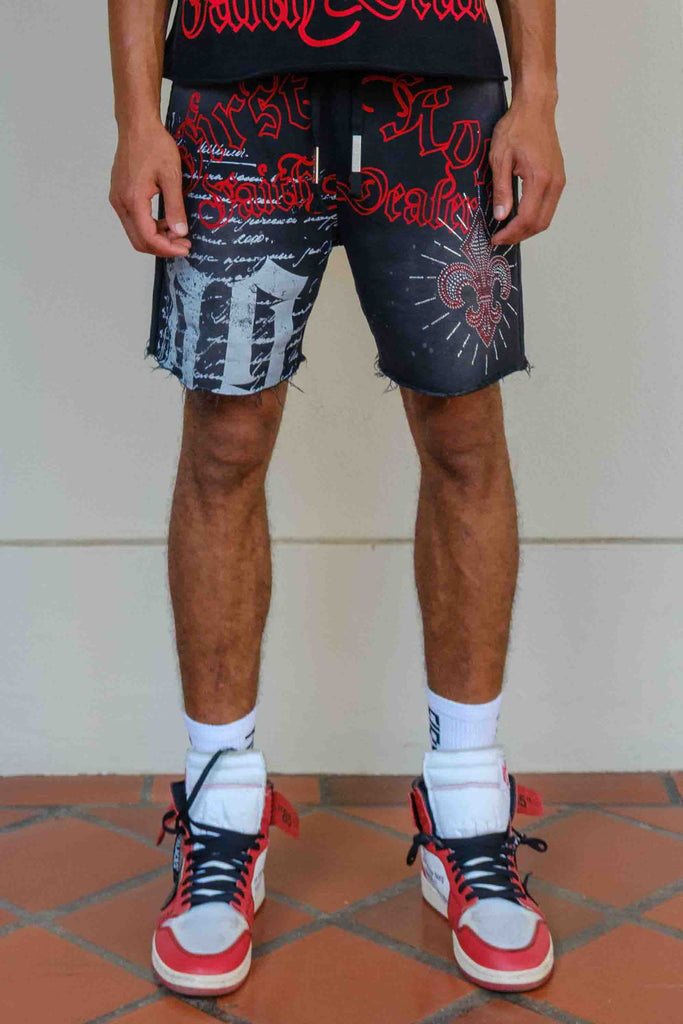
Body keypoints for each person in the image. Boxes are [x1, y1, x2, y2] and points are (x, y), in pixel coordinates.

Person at [108, 0, 565, 998]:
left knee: (461, 435)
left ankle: (465, 810)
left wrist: (535, 94)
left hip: (437, 84)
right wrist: (136, 116)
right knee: (225, 442)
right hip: (236, 84)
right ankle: (221, 813)